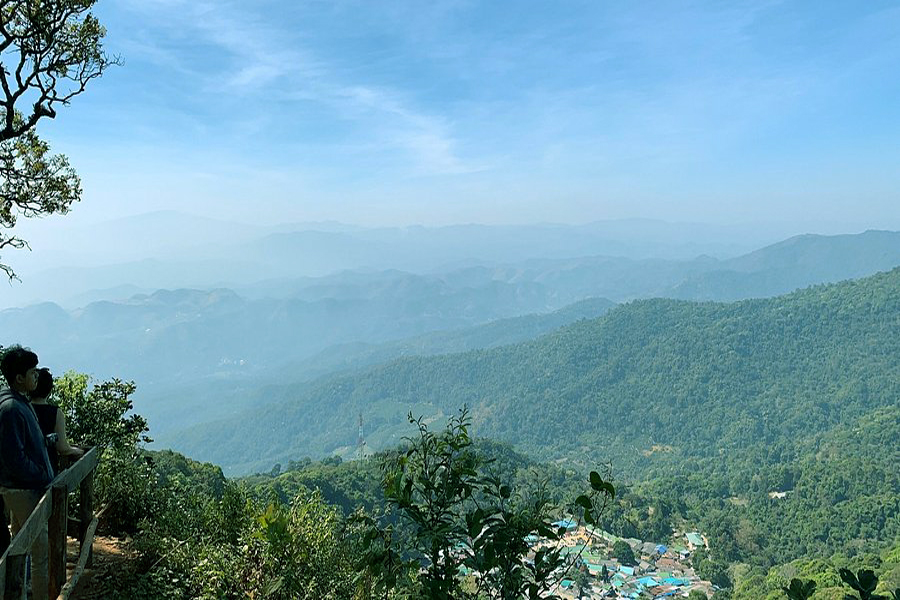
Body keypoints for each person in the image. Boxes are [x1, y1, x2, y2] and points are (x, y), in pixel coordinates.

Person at [0, 346, 54, 600]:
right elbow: (14, 459)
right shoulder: (12, 408)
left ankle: (17, 594)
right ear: (19, 378)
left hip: (19, 489)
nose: (36, 377)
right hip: (23, 491)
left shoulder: (19, 402)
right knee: (40, 550)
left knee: (19, 547)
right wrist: (42, 473)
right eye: (32, 372)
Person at [30, 368, 84, 475]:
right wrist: (77, 451)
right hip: (46, 471)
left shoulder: (21, 408)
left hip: (23, 471)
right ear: (50, 390)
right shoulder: (55, 413)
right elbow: (62, 448)